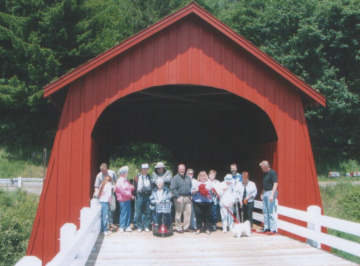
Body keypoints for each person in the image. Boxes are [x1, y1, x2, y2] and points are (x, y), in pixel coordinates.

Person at [94, 163, 117, 229]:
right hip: (103, 196)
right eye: (101, 171)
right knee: (105, 210)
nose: (103, 172)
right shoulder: (99, 175)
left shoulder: (112, 173)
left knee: (112, 209)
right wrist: (97, 194)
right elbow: (96, 186)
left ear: (107, 169)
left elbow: (115, 182)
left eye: (104, 170)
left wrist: (115, 187)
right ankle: (106, 225)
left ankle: (111, 223)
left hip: (111, 194)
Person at [170, 164, 192, 233]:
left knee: (187, 213)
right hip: (179, 197)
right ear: (178, 169)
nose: (182, 170)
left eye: (183, 169)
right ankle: (178, 228)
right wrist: (177, 196)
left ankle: (186, 227)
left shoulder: (188, 177)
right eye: (181, 169)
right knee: (178, 213)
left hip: (187, 197)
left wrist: (190, 195)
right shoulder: (175, 178)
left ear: (185, 169)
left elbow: (190, 186)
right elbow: (173, 188)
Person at [259, 160, 278, 233]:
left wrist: (272, 195)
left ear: (265, 166)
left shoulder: (272, 172)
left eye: (262, 167)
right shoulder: (264, 174)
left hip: (271, 192)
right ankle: (267, 227)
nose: (261, 168)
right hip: (265, 193)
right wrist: (262, 193)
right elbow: (265, 184)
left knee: (271, 211)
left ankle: (273, 229)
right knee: (265, 211)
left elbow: (275, 183)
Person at [115, 166, 135, 232]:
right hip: (123, 199)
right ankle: (122, 226)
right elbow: (122, 191)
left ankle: (127, 226)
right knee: (123, 213)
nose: (127, 174)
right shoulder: (120, 181)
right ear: (123, 173)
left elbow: (128, 187)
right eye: (126, 172)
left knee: (128, 212)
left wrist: (132, 187)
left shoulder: (125, 180)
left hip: (127, 199)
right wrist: (130, 195)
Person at [134, 163, 152, 232]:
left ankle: (146, 225)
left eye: (146, 169)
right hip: (139, 195)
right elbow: (135, 186)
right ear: (141, 169)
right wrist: (135, 194)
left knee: (147, 211)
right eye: (143, 169)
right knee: (138, 211)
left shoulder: (149, 177)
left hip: (147, 195)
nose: (145, 170)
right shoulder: (137, 177)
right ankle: (139, 226)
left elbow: (151, 186)